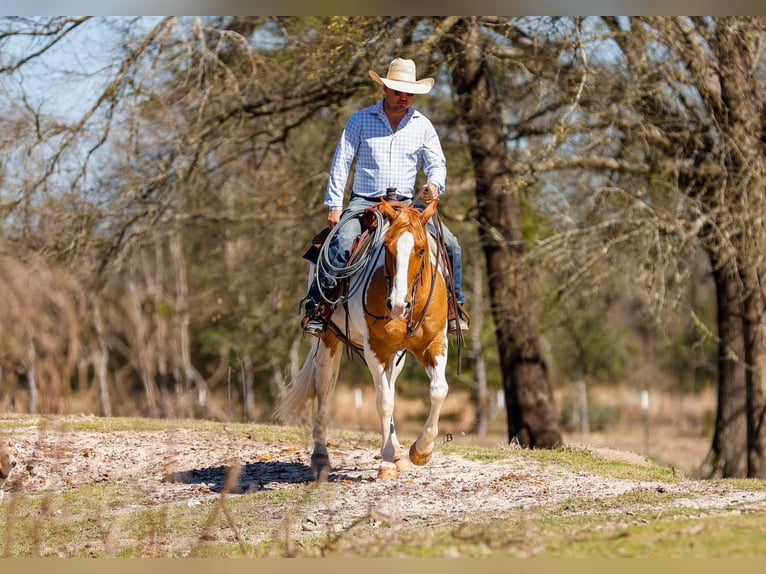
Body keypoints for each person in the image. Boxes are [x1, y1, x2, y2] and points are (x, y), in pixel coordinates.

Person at [301, 57, 469, 335]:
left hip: (408, 206)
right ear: (385, 89)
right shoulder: (360, 120)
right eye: (398, 92)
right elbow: (341, 162)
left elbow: (437, 164)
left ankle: (454, 306)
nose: (404, 98)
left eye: (409, 93)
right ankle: (318, 308)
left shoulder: (423, 126)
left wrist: (435, 185)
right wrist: (334, 205)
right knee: (342, 243)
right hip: (366, 202)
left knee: (451, 244)